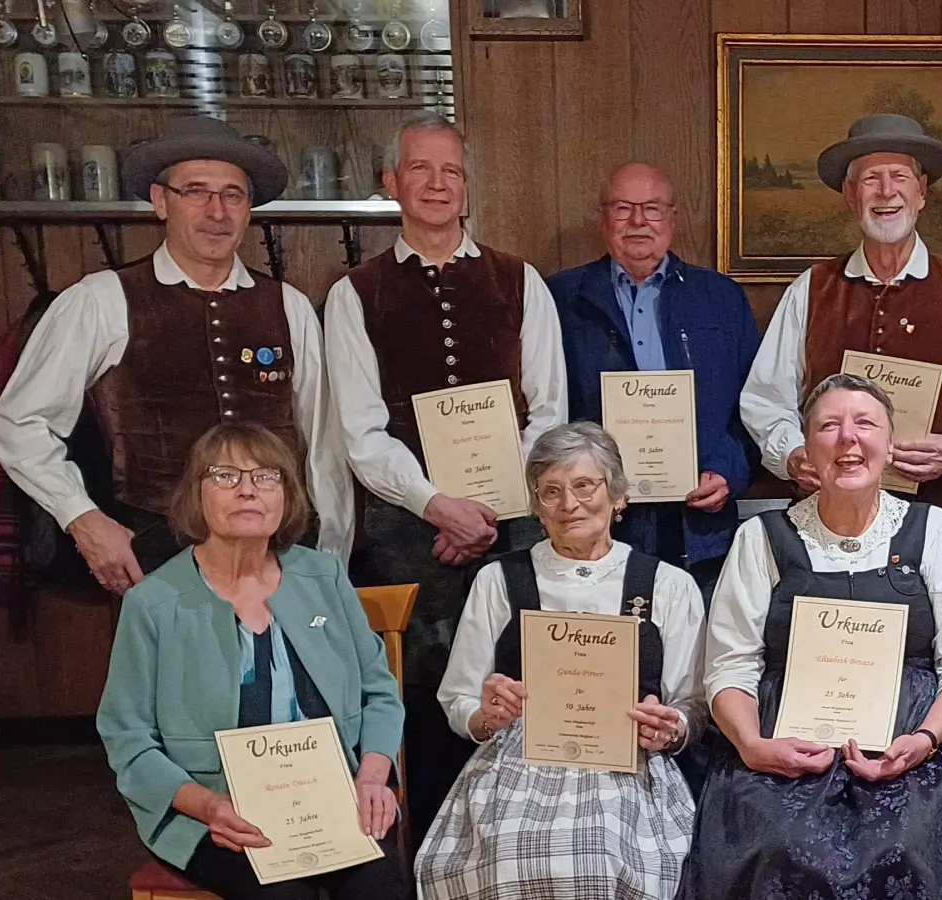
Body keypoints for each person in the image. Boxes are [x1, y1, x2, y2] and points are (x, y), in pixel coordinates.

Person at [678, 374, 942, 900]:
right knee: (779, 846)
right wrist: (752, 746)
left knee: (909, 845)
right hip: (783, 744)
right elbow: (730, 664)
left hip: (917, 746)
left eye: (865, 424)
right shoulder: (761, 538)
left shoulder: (935, 530)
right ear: (806, 449)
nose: (848, 438)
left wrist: (926, 740)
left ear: (889, 445)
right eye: (829, 426)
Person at [323, 111, 567, 831]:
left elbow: (550, 408)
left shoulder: (519, 281)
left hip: (516, 520)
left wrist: (492, 505)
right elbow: (360, 433)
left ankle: (526, 835)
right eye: (421, 169)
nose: (437, 183)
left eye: (451, 171)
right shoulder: (354, 293)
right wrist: (439, 504)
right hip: (407, 530)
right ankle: (431, 846)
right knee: (422, 691)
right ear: (392, 183)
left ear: (467, 188)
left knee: (521, 675)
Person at [0, 115, 354, 593]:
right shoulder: (101, 299)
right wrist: (83, 518)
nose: (216, 211)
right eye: (196, 191)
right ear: (161, 202)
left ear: (249, 210)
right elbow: (20, 422)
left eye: (232, 195)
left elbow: (324, 447)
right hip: (159, 558)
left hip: (280, 557)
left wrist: (329, 558)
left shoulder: (289, 307)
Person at [97, 422, 406, 900]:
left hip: (335, 796)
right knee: (285, 896)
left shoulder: (324, 576)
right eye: (224, 476)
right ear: (196, 495)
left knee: (380, 888)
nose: (247, 490)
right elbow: (127, 739)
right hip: (215, 811)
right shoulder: (153, 602)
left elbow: (380, 693)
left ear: (286, 495)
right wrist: (208, 806)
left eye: (267, 476)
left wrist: (371, 775)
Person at [413, 422, 704, 899]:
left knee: (607, 854)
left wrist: (671, 726)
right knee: (508, 854)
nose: (569, 505)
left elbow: (692, 703)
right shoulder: (499, 580)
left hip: (629, 763)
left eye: (584, 486)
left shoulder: (667, 585)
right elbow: (458, 697)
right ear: (537, 510)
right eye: (551, 492)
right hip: (519, 760)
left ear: (618, 495)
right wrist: (485, 716)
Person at [740, 114, 942, 516]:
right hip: (821, 512)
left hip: (930, 516)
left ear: (921, 193)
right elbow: (765, 399)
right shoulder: (811, 289)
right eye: (870, 179)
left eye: (899, 177)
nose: (886, 192)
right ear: (850, 196)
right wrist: (792, 453)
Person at [547, 162, 761, 598]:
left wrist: (727, 470)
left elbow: (756, 405)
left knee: (698, 659)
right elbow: (545, 411)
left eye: (653, 209)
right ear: (602, 217)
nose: (639, 221)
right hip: (597, 532)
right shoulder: (559, 300)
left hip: (702, 534)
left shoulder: (720, 298)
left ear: (673, 218)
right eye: (624, 208)